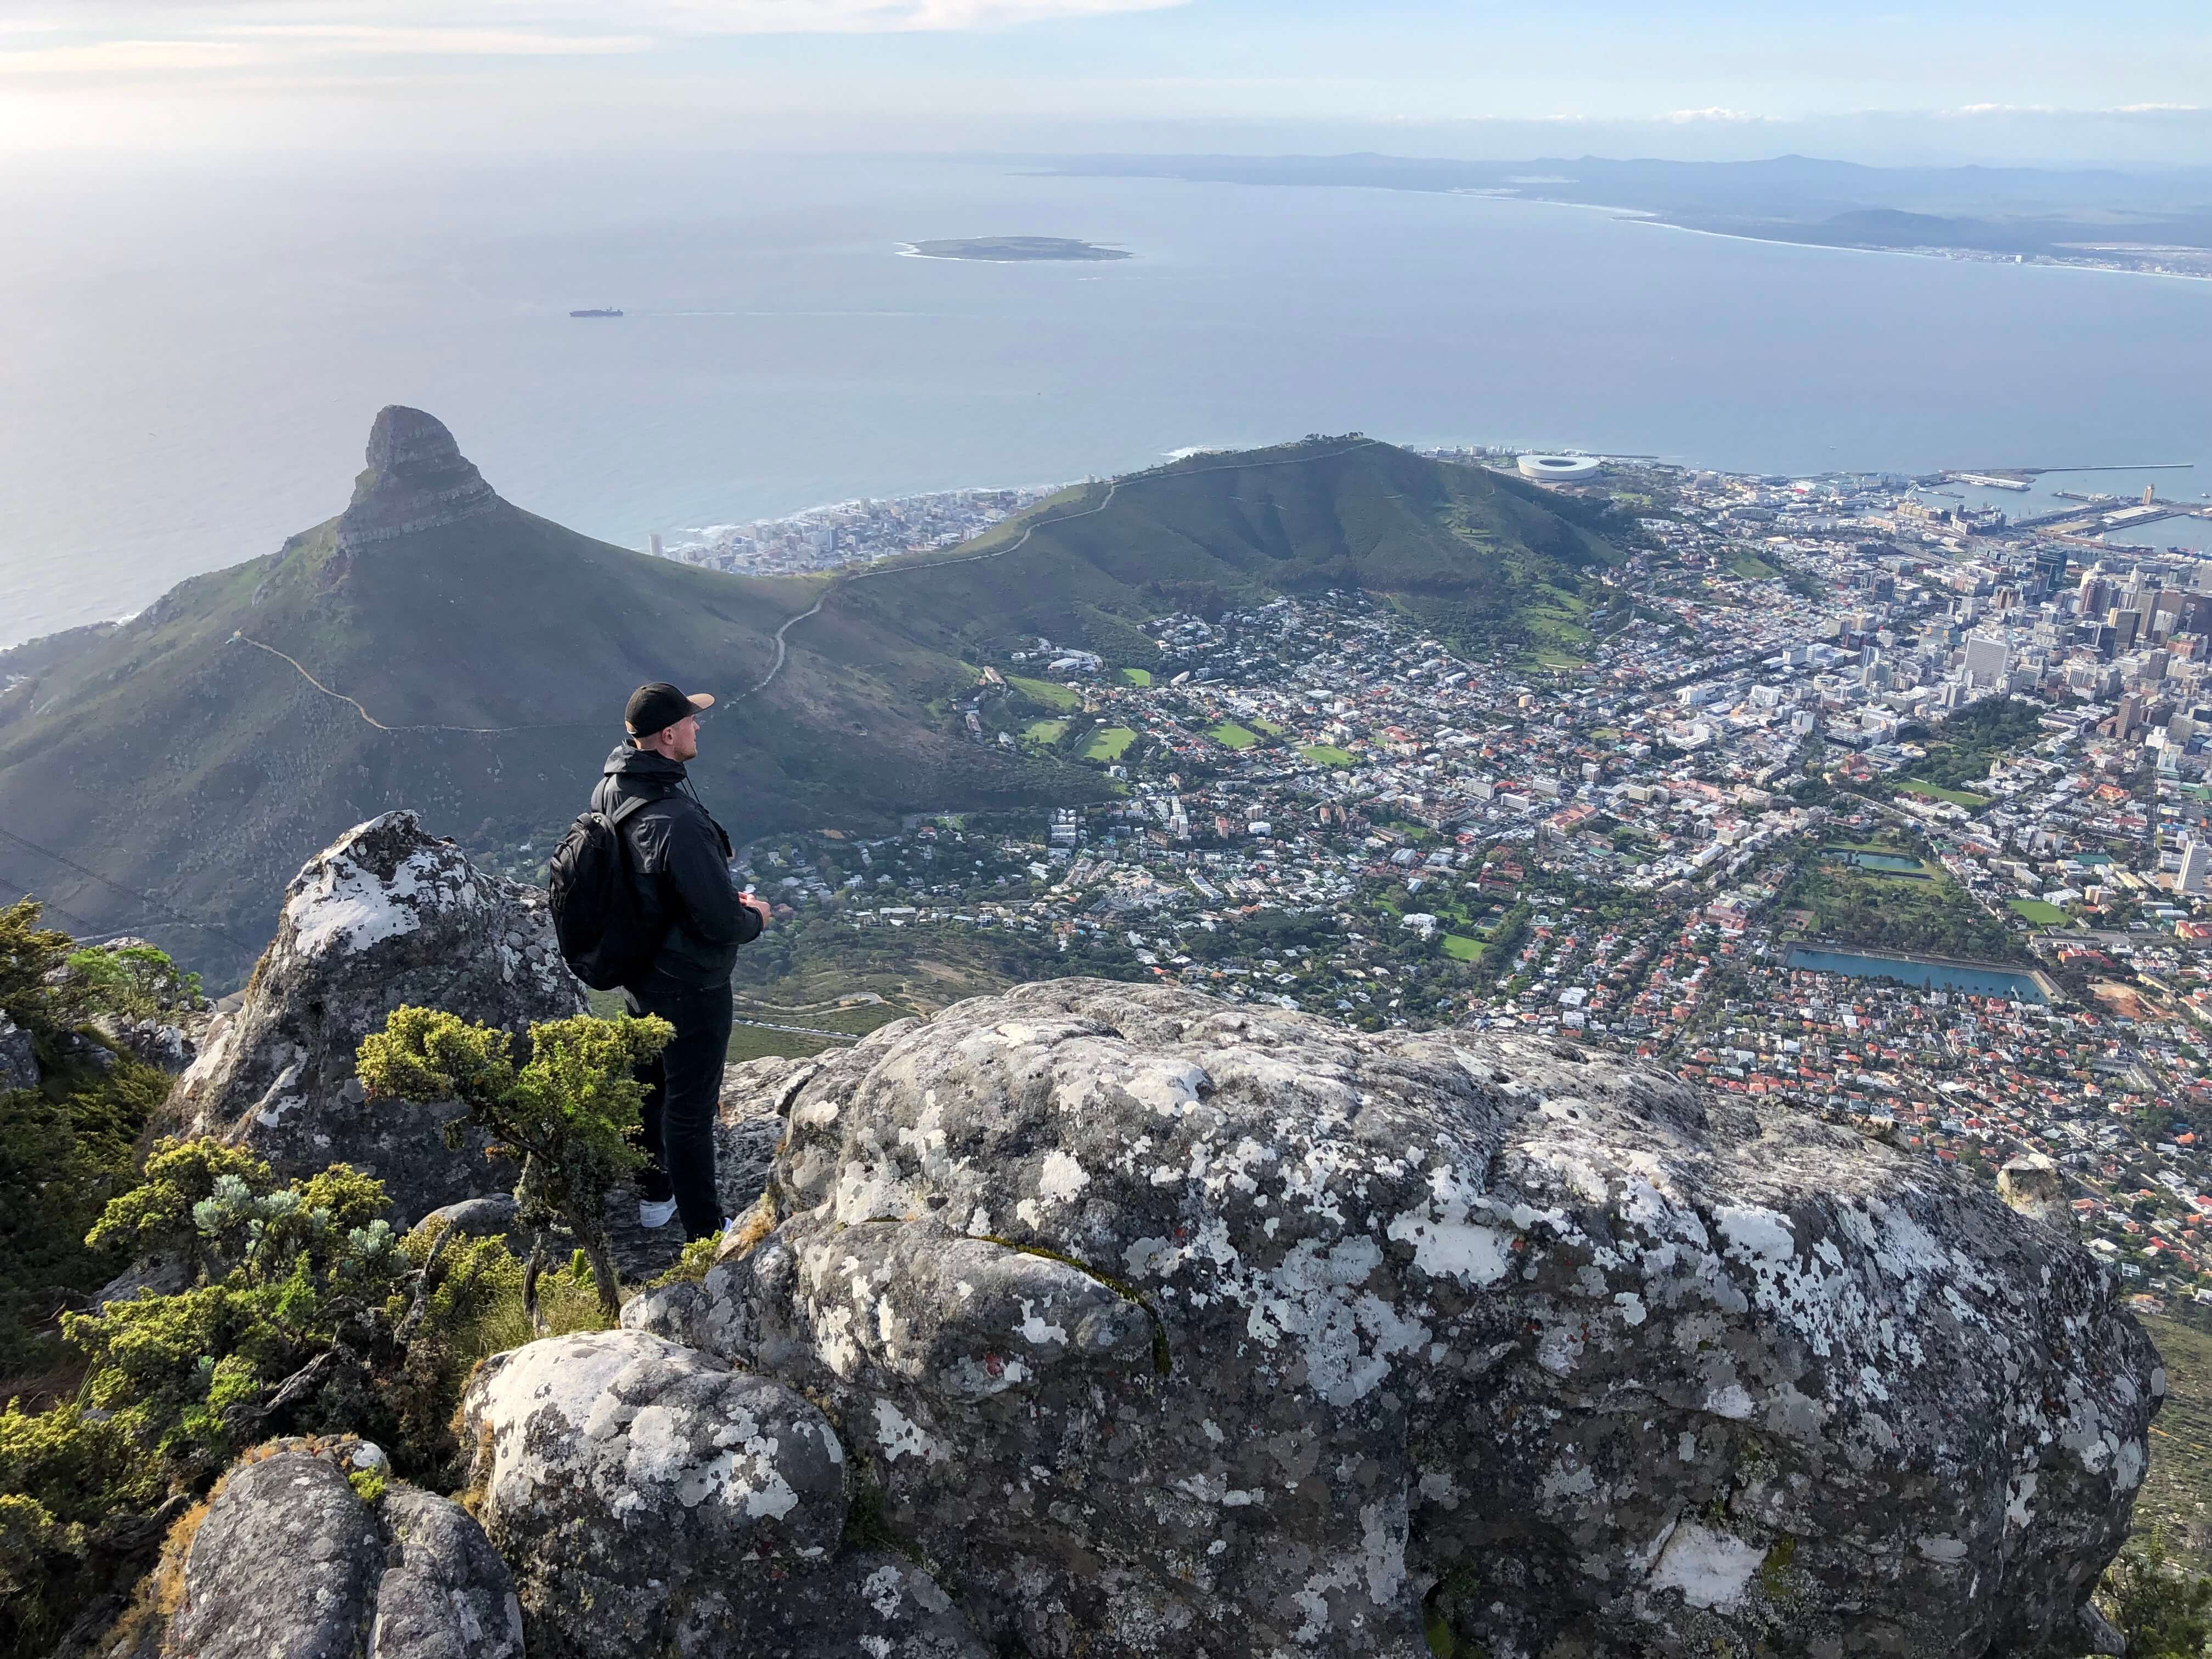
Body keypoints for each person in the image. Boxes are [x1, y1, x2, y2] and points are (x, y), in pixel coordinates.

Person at [591, 681, 770, 1239]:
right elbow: (720, 922)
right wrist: (755, 916)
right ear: (668, 735)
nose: (698, 726)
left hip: (640, 968)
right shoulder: (677, 820)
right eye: (691, 721)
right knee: (689, 1112)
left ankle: (654, 1197)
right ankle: (706, 1231)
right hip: (691, 983)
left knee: (650, 1085)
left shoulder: (611, 790)